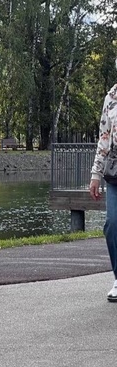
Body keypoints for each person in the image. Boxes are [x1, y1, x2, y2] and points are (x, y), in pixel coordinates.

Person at [89, 60, 117, 302]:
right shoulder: (111, 96)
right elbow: (104, 138)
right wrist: (95, 175)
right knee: (111, 224)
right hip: (115, 174)